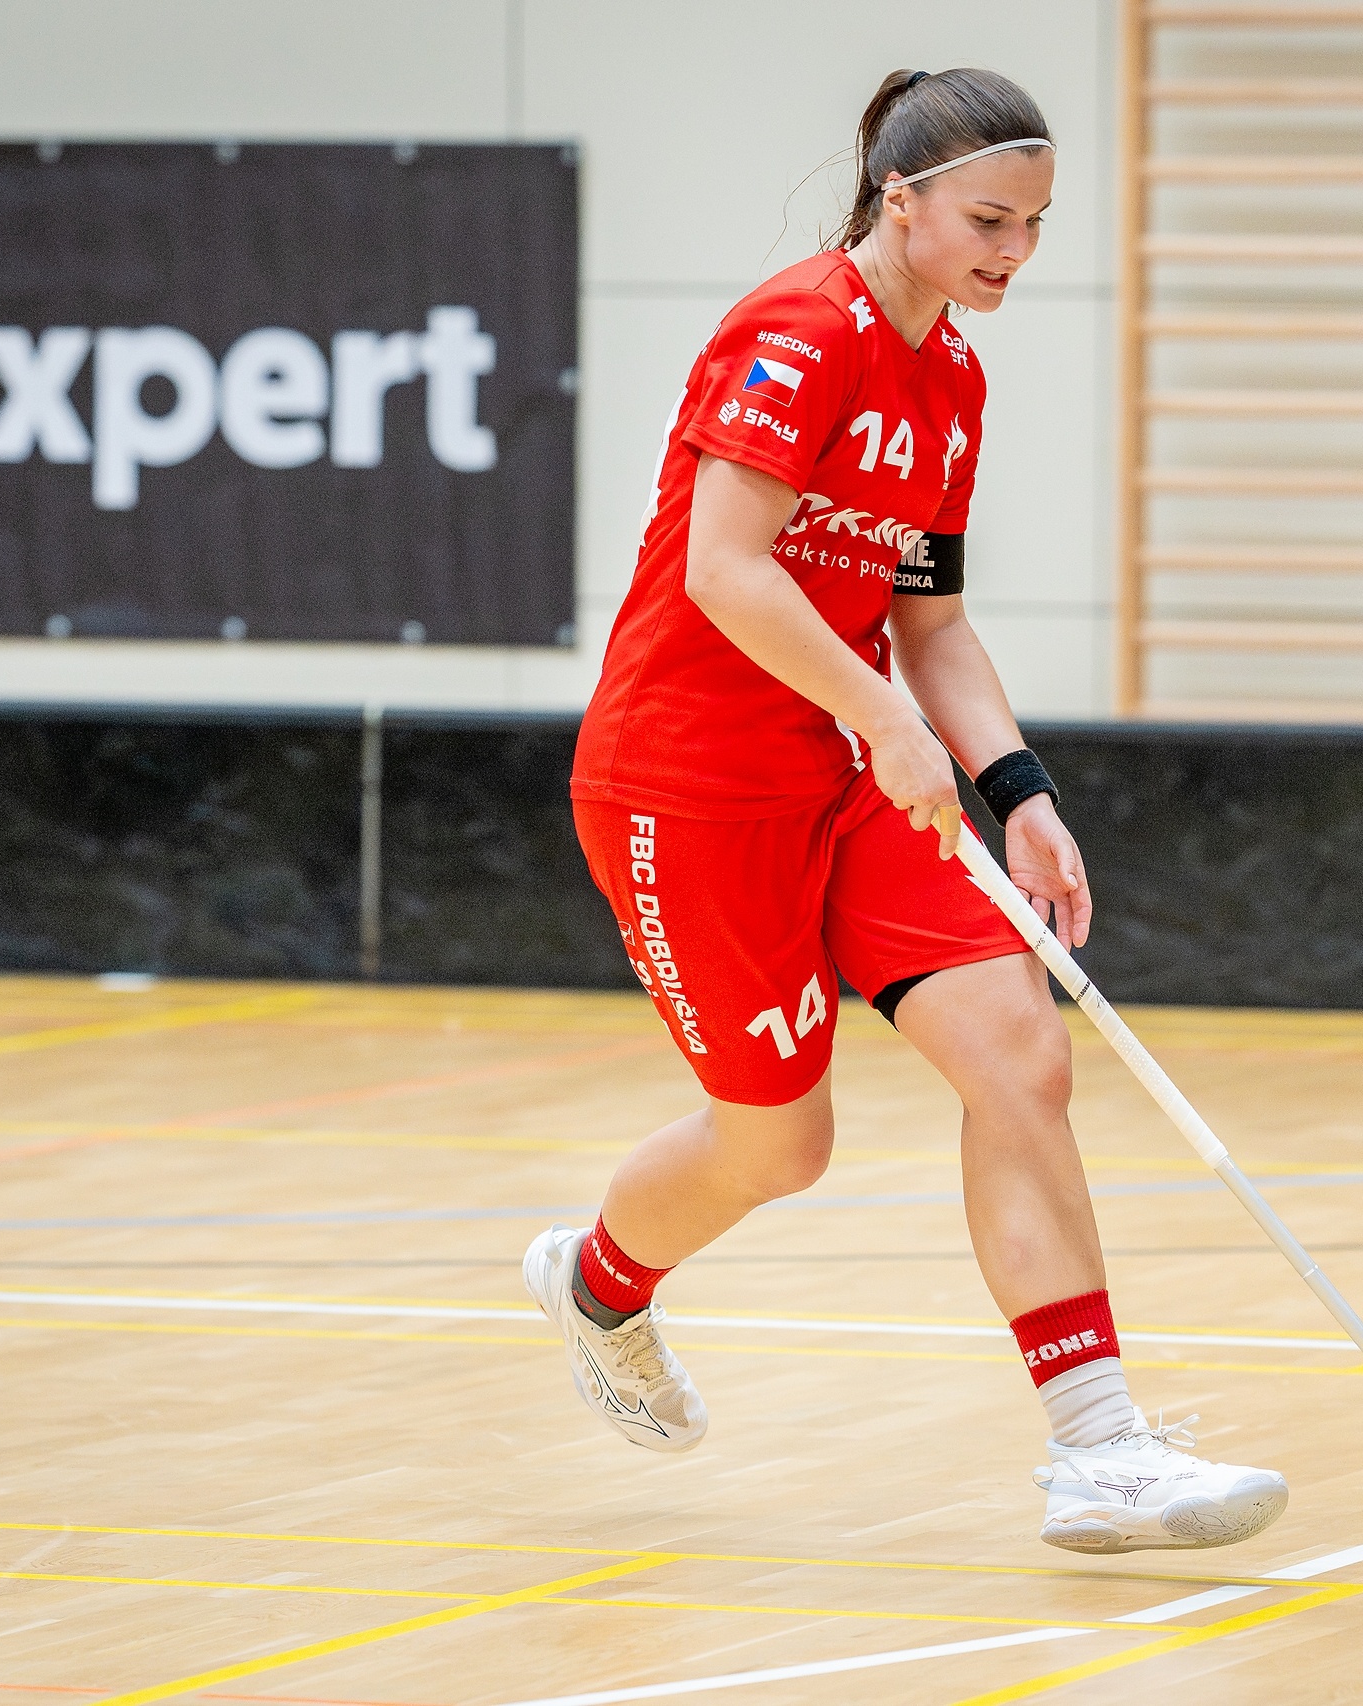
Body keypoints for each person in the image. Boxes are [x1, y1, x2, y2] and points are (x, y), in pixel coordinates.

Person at [525, 66, 1286, 1555]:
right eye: (991, 220)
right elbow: (724, 569)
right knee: (778, 1146)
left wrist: (1020, 791)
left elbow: (928, 626)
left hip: (850, 776)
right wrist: (883, 720)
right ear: (903, 197)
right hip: (688, 787)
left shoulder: (953, 383)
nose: (1017, 250)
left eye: (1036, 224)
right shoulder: (798, 331)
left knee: (1021, 1054)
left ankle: (1100, 1449)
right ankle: (600, 1284)